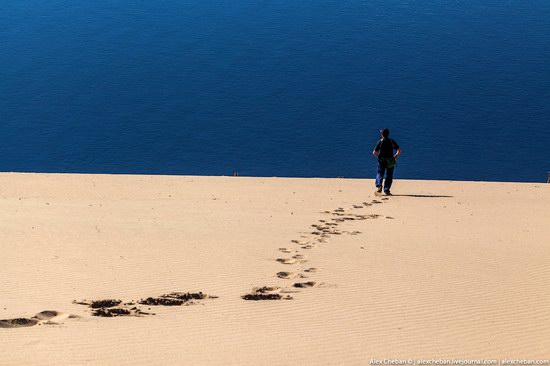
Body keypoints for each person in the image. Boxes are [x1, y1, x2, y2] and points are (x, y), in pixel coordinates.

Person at [372, 128, 401, 196]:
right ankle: (387, 190)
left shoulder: (380, 141)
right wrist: (395, 156)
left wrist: (379, 157)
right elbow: (399, 150)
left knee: (380, 173)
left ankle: (379, 187)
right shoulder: (391, 141)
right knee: (389, 175)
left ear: (382, 134)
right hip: (390, 161)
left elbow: (374, 153)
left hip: (382, 161)